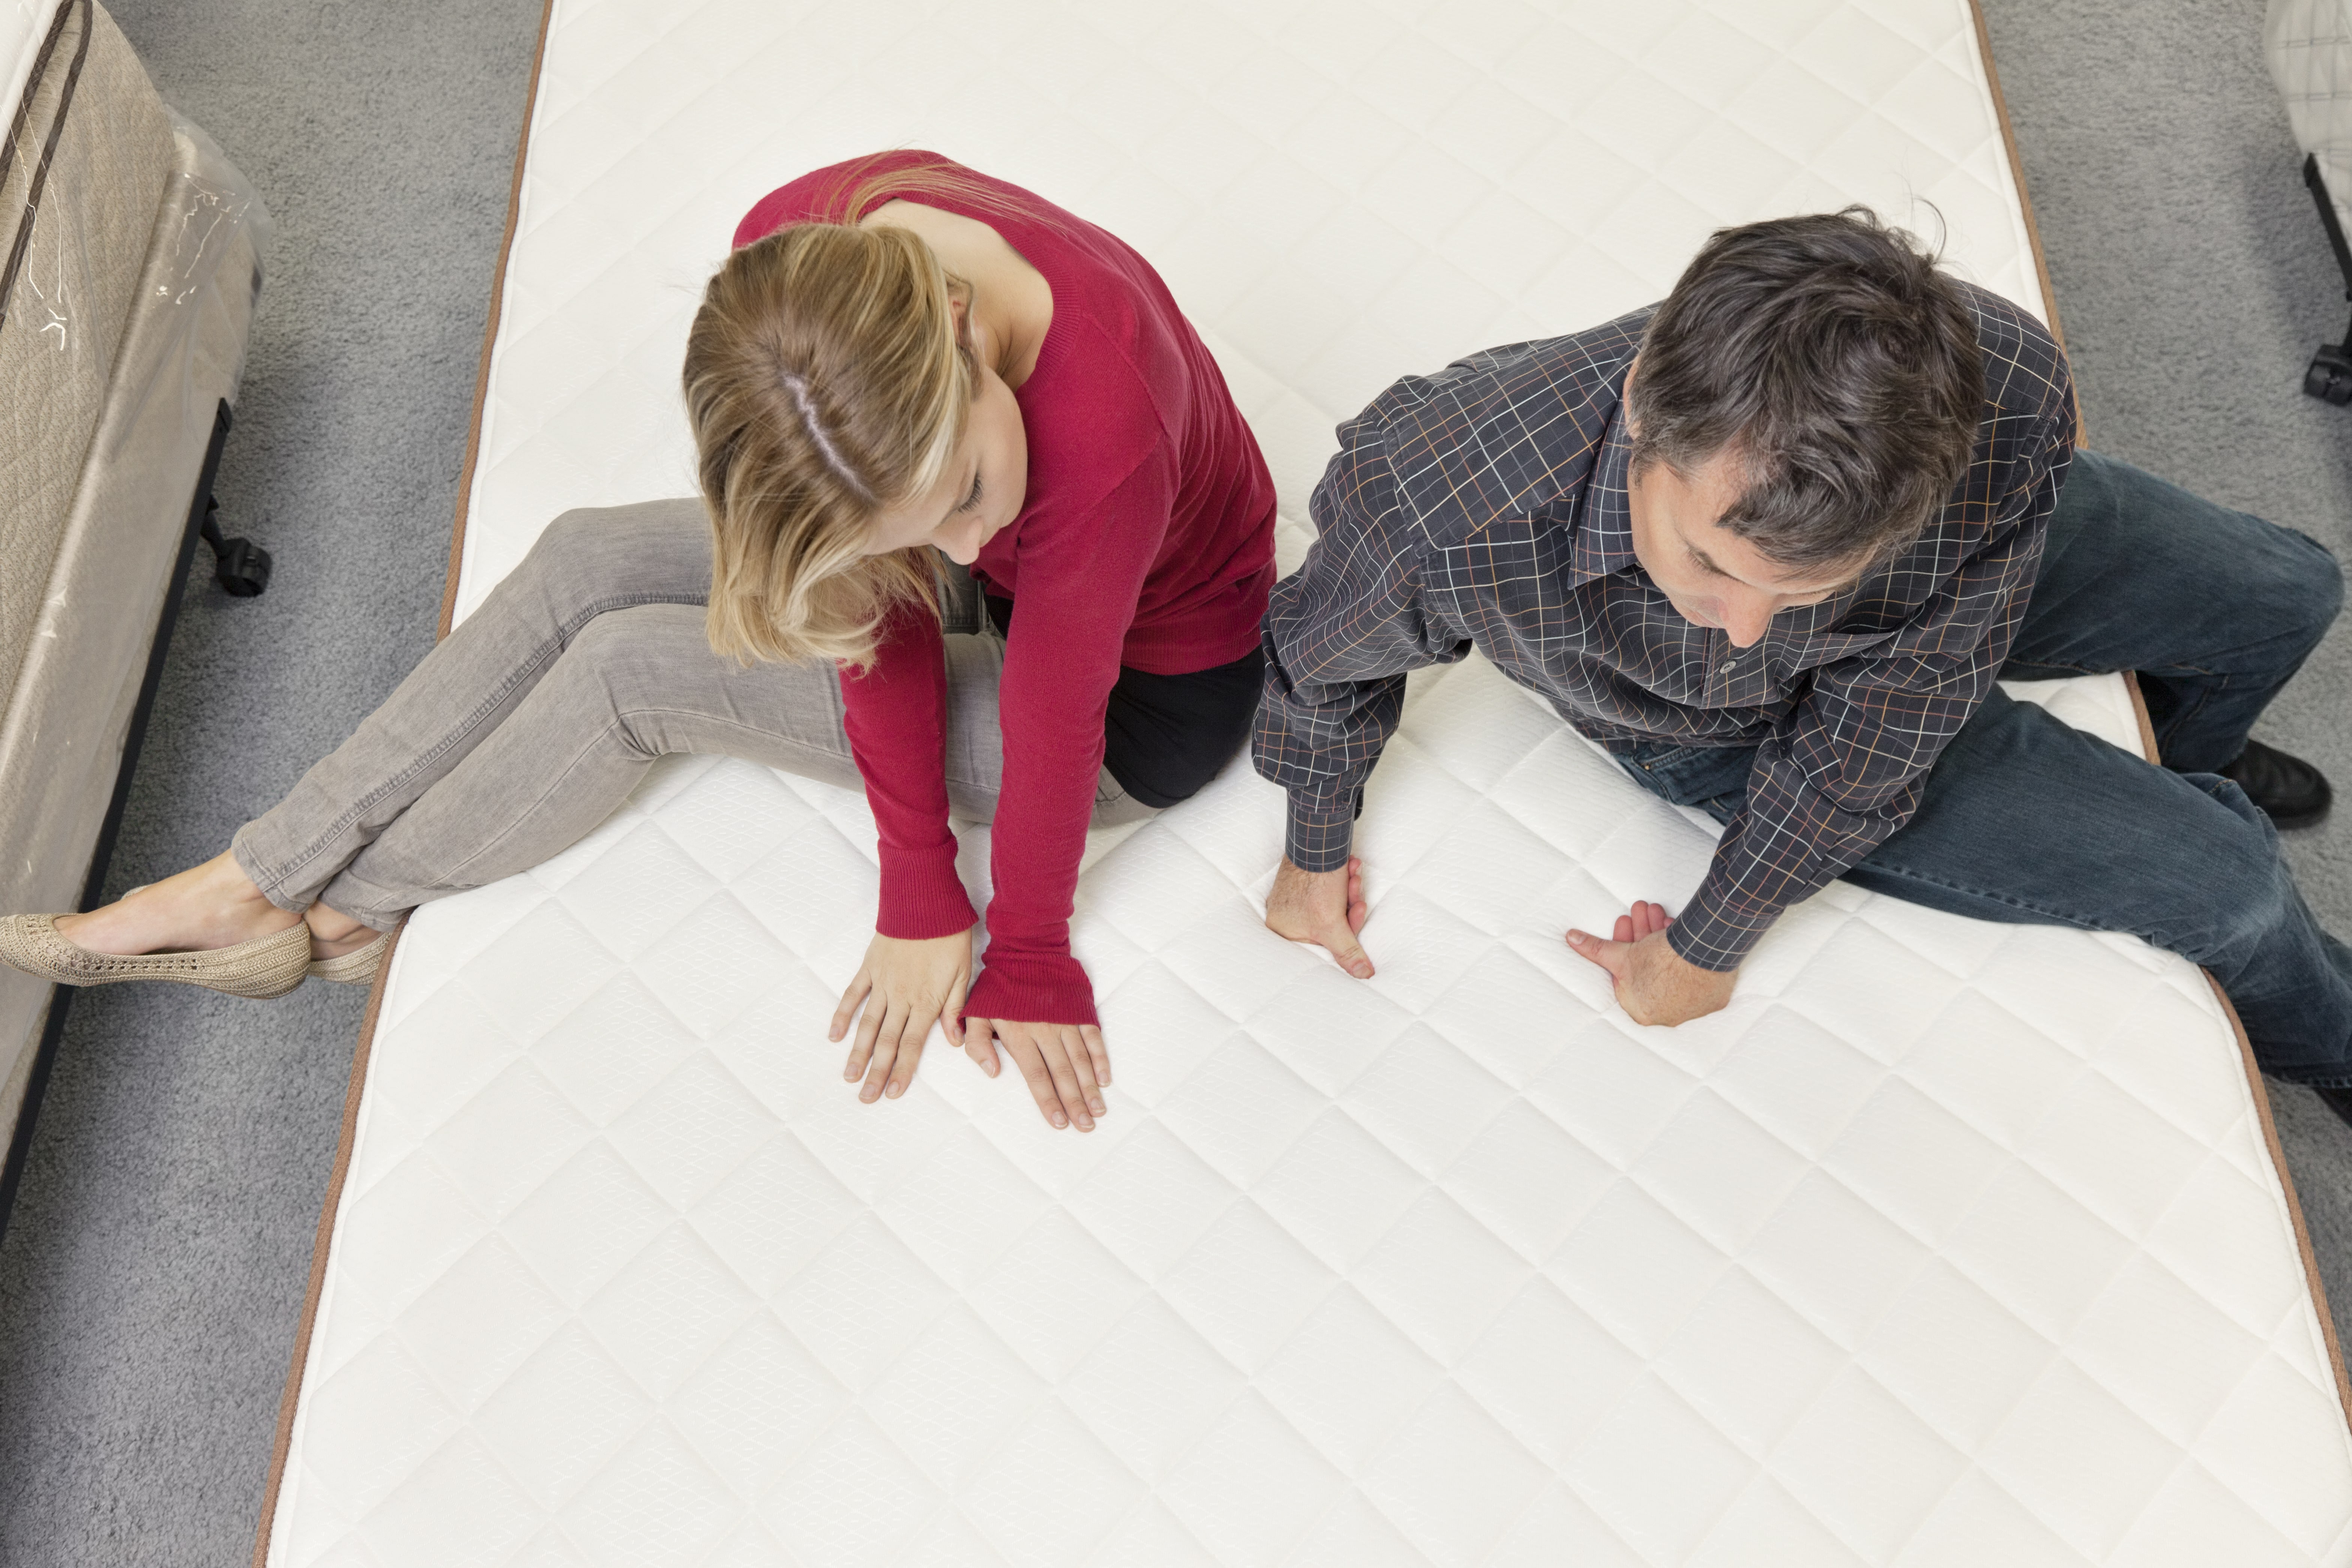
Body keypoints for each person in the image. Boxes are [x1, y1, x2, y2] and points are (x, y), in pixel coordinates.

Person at [0, 151, 1278, 1134]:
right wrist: (931, 545)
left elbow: (1055, 723)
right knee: (586, 557)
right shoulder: (803, 264)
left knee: (633, 673)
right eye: (920, 521)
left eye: (965, 492)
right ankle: (251, 876)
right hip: (1037, 585)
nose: (948, 546)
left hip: (1142, 699)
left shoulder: (1097, 439)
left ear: (956, 323)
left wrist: (998, 933)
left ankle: (345, 909)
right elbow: (874, 606)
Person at [1255, 209, 2352, 1104]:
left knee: (2294, 594)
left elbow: (1879, 725)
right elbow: (1321, 661)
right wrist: (1314, 850)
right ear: (1645, 406)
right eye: (1705, 562)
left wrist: (1702, 945)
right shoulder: (1440, 503)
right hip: (1718, 737)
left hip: (1950, 585)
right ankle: (2333, 1043)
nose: (1742, 633)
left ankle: (2186, 760)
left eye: (1802, 593)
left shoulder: (2005, 387)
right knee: (2241, 887)